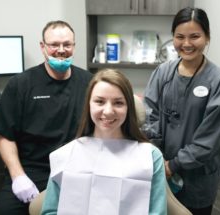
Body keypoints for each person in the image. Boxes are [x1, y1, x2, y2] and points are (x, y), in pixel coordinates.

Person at [0, 20, 93, 214]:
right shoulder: (21, 84)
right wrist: (18, 176)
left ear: (74, 46)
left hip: (76, 170)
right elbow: (4, 135)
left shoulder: (88, 82)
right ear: (42, 47)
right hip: (32, 171)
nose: (61, 50)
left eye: (67, 44)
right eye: (54, 45)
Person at [143, 7, 220, 215]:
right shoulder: (163, 72)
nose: (186, 44)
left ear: (207, 37)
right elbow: (150, 113)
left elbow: (212, 138)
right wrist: (158, 158)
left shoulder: (219, 80)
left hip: (197, 176)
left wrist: (174, 164)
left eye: (195, 36)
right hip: (160, 169)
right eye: (179, 36)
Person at [41, 69, 167, 215]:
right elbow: (50, 211)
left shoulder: (150, 157)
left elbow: (157, 212)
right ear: (89, 104)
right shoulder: (65, 155)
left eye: (118, 103)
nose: (108, 111)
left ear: (128, 108)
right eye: (99, 101)